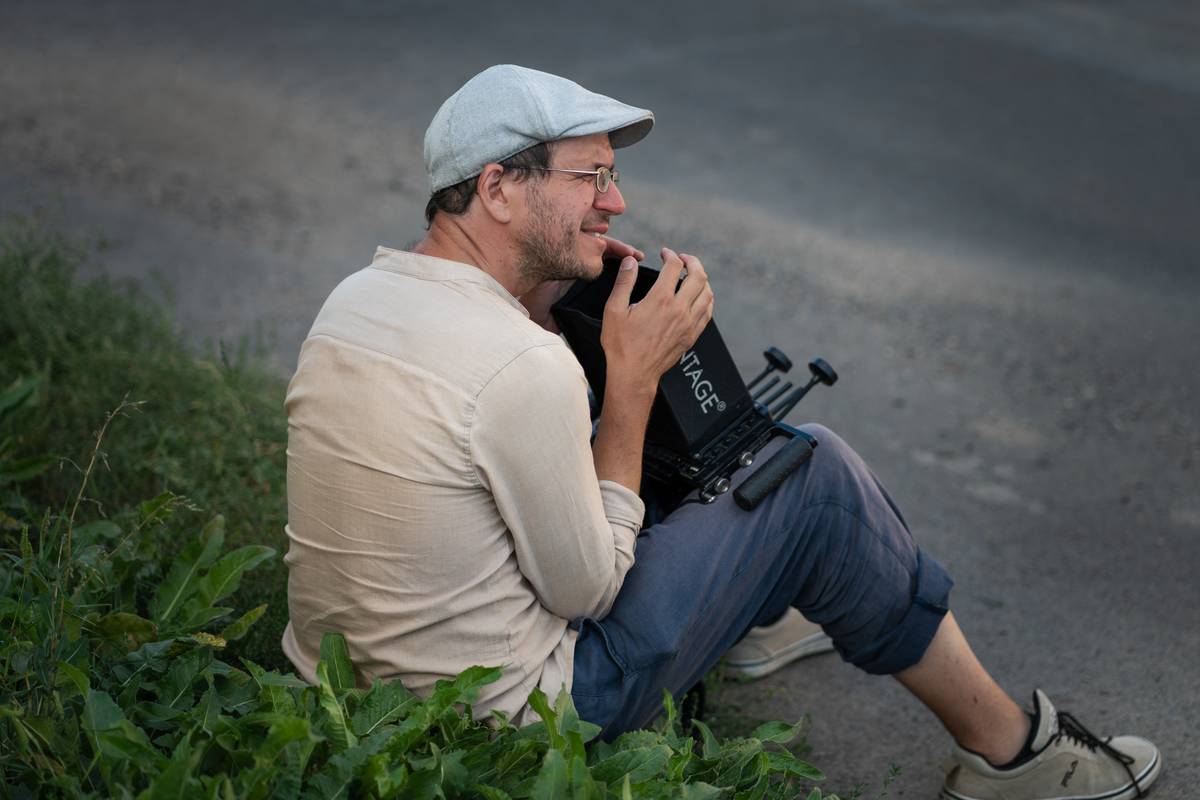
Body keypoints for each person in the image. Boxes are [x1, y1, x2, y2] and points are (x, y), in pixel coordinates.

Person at [281, 64, 1161, 800]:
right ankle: (1009, 756)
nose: (615, 201)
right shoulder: (518, 367)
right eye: (588, 177)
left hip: (350, 699)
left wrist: (568, 307)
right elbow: (585, 593)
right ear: (499, 188)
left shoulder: (359, 301)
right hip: (512, 720)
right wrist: (629, 381)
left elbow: (485, 446)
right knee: (811, 474)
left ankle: (750, 604)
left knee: (651, 436)